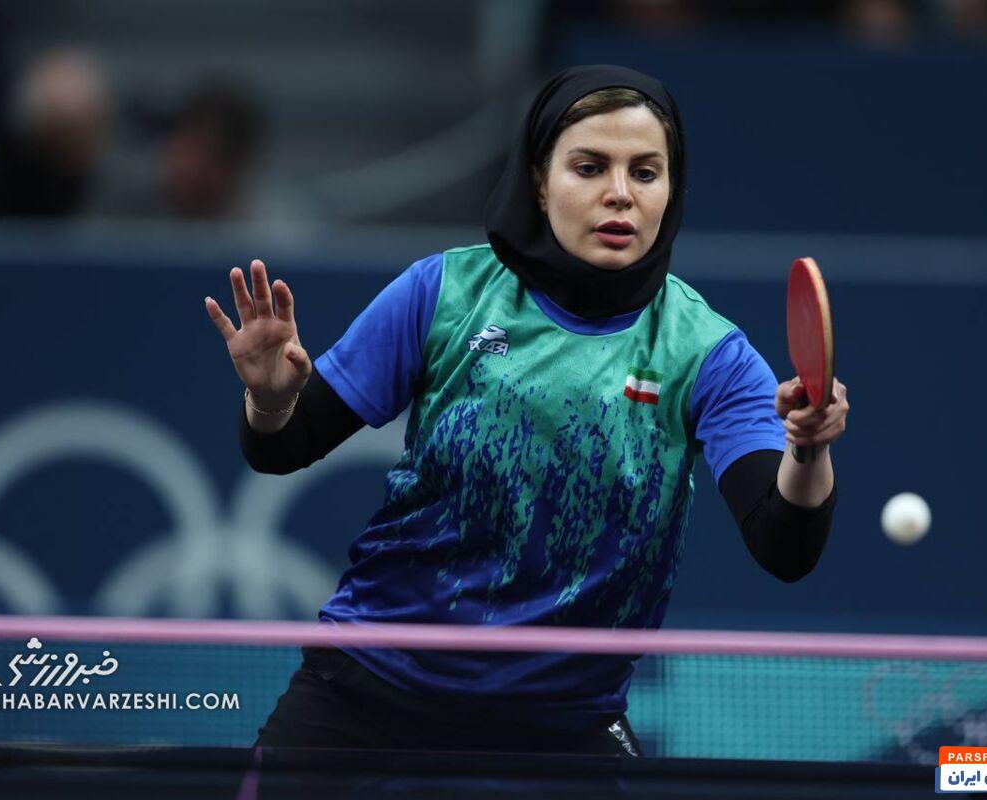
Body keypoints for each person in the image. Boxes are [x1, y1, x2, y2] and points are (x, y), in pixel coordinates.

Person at [205, 65, 849, 755]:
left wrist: (807, 449)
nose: (620, 193)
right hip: (369, 686)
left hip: (561, 722)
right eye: (590, 167)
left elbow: (783, 546)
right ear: (541, 182)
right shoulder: (445, 292)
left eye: (646, 172)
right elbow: (283, 447)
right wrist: (270, 399)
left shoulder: (707, 353)